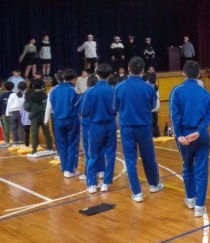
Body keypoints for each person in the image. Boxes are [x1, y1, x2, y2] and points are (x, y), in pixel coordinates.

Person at [114, 56, 164, 202]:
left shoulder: (119, 87)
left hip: (127, 128)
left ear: (128, 69)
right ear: (143, 70)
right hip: (144, 127)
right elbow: (153, 106)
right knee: (149, 157)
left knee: (130, 160)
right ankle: (154, 184)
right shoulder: (149, 87)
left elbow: (115, 107)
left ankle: (137, 193)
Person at [170, 60, 210, 217]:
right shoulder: (205, 93)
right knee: (202, 170)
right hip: (201, 135)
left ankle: (190, 198)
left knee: (187, 166)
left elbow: (175, 115)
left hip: (185, 135)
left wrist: (179, 134)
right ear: (199, 75)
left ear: (183, 74)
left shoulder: (177, 91)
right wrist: (200, 131)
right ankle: (199, 206)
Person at [81, 64, 117, 193]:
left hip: (95, 126)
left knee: (93, 155)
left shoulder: (90, 91)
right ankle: (106, 183)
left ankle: (91, 183)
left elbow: (84, 112)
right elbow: (117, 108)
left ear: (96, 74)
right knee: (110, 154)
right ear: (110, 75)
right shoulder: (114, 90)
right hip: (111, 125)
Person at [45, 69, 81, 178]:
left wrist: (46, 119)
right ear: (74, 79)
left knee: (61, 145)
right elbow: (80, 107)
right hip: (72, 120)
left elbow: (49, 105)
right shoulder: (74, 90)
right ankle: (70, 169)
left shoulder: (53, 89)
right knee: (72, 144)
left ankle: (65, 167)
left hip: (57, 121)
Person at [25, 78, 54, 155]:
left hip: (34, 117)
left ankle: (34, 149)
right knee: (47, 132)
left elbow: (26, 107)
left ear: (33, 85)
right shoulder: (46, 95)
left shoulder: (30, 95)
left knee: (34, 133)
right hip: (44, 116)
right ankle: (50, 147)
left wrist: (32, 109)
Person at [6, 81, 27, 146]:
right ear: (25, 88)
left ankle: (15, 142)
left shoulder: (12, 95)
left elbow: (9, 104)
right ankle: (21, 142)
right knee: (21, 127)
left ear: (17, 87)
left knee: (13, 128)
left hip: (12, 112)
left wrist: (7, 114)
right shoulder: (24, 96)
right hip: (20, 112)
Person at [0, 81, 14, 147]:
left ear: (5, 87)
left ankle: (7, 141)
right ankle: (15, 140)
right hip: (13, 113)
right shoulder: (14, 95)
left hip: (4, 113)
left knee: (6, 127)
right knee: (14, 126)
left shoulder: (3, 95)